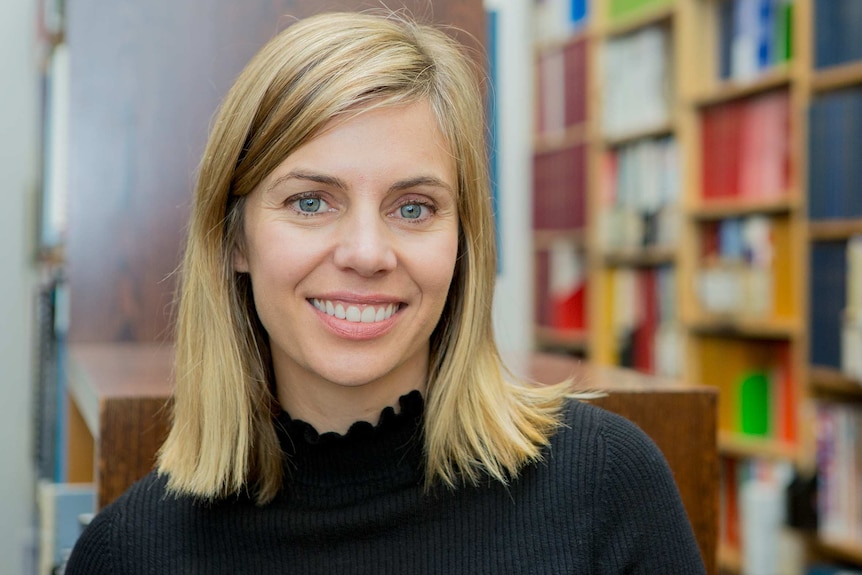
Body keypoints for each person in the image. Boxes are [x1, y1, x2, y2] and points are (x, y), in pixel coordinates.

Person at [66, 11, 706, 574]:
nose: (367, 254)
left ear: (463, 245)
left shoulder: (607, 487)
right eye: (311, 201)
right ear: (235, 239)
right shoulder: (127, 553)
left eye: (414, 207)